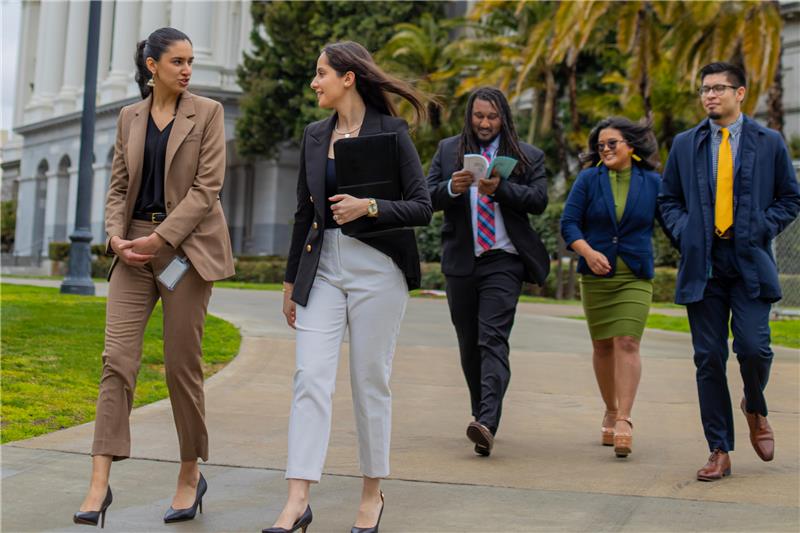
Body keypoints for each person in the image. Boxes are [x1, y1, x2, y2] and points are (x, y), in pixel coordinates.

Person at [73, 27, 234, 527]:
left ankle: (189, 475)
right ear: (151, 65)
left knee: (181, 365)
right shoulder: (129, 117)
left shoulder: (207, 113)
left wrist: (160, 241)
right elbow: (118, 185)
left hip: (184, 249)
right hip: (133, 250)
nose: (187, 69)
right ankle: (99, 483)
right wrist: (115, 237)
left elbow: (207, 188)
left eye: (191, 62)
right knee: (116, 360)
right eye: (178, 61)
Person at [269, 41, 431, 533]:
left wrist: (370, 207)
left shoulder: (392, 131)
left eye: (321, 74)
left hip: (378, 270)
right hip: (323, 270)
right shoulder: (315, 136)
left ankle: (371, 492)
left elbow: (422, 206)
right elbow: (304, 210)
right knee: (309, 378)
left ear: (348, 78)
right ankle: (297, 499)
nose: (315, 83)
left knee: (369, 381)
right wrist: (291, 278)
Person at [658, 62, 800, 481]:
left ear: (741, 93)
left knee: (755, 349)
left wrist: (761, 226)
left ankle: (754, 404)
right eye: (704, 89)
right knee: (708, 358)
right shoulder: (685, 144)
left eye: (719, 88)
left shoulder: (769, 142)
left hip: (750, 262)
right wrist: (688, 233)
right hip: (703, 263)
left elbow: (790, 198)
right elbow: (668, 200)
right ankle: (718, 448)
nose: (710, 95)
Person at [426, 87, 549, 457]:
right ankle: (481, 413)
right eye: (479, 116)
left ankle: (488, 422)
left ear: (504, 118)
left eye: (492, 117)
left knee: (491, 339)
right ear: (470, 116)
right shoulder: (449, 151)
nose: (484, 123)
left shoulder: (527, 155)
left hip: (503, 259)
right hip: (462, 259)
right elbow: (426, 196)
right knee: (468, 343)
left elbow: (540, 200)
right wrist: (451, 187)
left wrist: (503, 190)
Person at [560, 117, 661, 458]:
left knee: (628, 342)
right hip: (596, 277)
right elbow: (569, 223)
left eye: (612, 143)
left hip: (635, 274)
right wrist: (587, 252)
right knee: (603, 346)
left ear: (630, 146)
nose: (604, 149)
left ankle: (625, 420)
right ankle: (610, 408)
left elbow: (672, 220)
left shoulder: (652, 182)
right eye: (600, 145)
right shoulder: (589, 179)